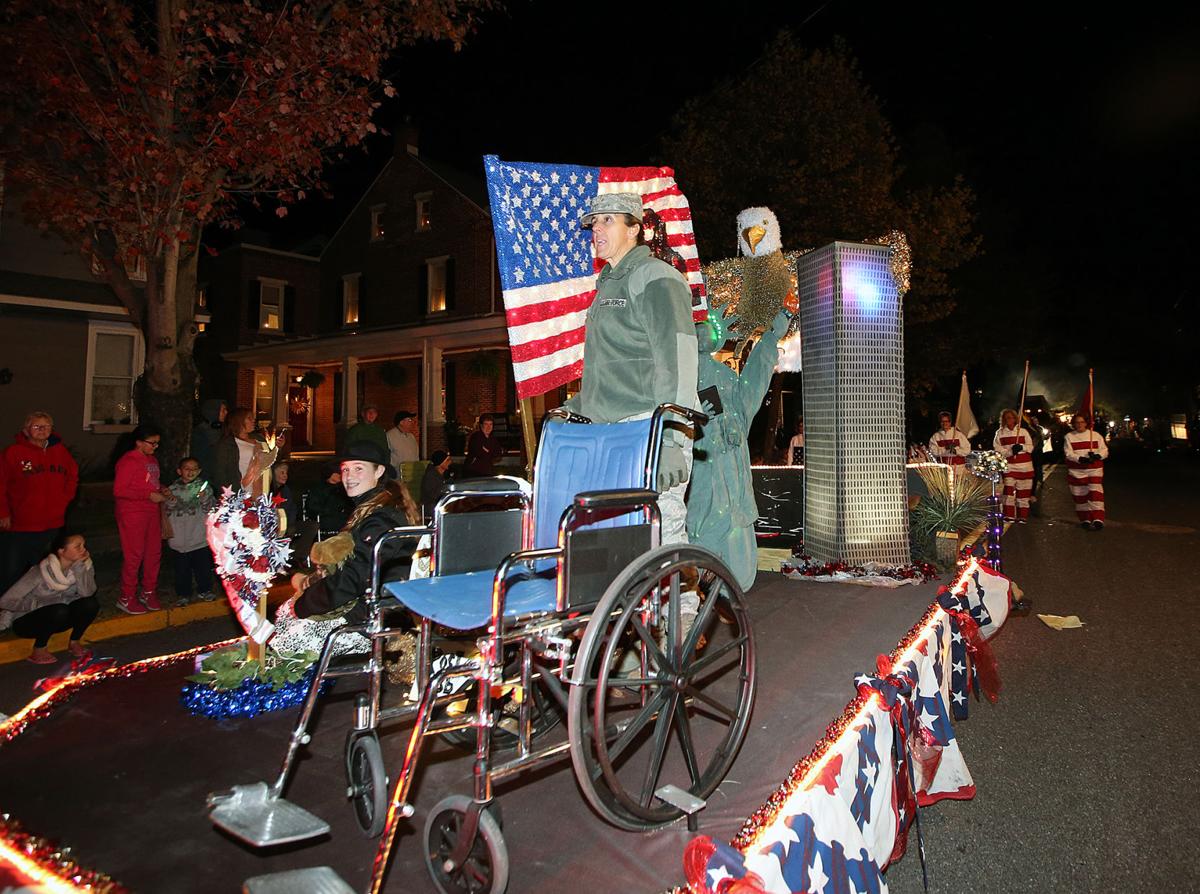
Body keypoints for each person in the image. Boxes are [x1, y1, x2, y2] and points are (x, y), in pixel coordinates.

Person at [563, 193, 698, 550]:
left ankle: (681, 607)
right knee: (623, 538)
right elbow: (614, 366)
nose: (597, 229)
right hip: (612, 433)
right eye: (594, 222)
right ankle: (637, 606)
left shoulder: (656, 276)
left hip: (651, 427)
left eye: (608, 220)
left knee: (661, 534)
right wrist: (574, 408)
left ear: (635, 228)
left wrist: (670, 435)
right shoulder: (608, 284)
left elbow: (679, 359)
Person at [271, 442, 420, 655]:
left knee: (287, 639)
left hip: (373, 618)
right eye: (345, 469)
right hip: (370, 609)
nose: (349, 476)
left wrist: (305, 603)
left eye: (359, 468)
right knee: (286, 614)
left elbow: (354, 578)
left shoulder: (381, 518)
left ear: (378, 471)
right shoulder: (372, 509)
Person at [688, 303, 795, 591]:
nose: (704, 334)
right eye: (698, 328)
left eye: (709, 327)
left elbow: (753, 385)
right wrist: (696, 419)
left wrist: (772, 336)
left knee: (736, 562)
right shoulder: (679, 375)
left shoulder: (727, 377)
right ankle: (695, 597)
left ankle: (726, 596)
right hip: (705, 481)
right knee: (703, 539)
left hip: (734, 482)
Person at [0, 411, 80, 592]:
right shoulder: (13, 453)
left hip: (52, 524)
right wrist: (3, 512)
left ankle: (38, 606)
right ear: (26, 430)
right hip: (21, 525)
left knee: (45, 570)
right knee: (12, 571)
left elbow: (72, 475)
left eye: (47, 426)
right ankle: (6, 609)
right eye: (37, 426)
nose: (42, 430)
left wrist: (65, 498)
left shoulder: (60, 451)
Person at [0, 532, 98, 664]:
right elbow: (6, 600)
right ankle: (39, 649)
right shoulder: (39, 572)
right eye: (78, 546)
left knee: (91, 604)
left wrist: (80, 570)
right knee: (59, 610)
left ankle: (74, 641)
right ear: (61, 551)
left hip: (58, 619)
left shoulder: (84, 566)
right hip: (27, 621)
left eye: (84, 545)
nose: (84, 549)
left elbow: (87, 594)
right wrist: (35, 604)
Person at [114, 424, 171, 614]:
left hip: (151, 512)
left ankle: (148, 591)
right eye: (152, 443)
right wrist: (147, 496)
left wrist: (161, 488)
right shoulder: (128, 461)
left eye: (157, 443)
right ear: (139, 443)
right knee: (134, 555)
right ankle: (126, 596)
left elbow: (148, 483)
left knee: (153, 553)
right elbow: (120, 490)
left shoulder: (151, 460)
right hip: (132, 513)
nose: (155, 446)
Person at [164, 457, 217, 605]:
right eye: (187, 468)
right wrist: (170, 499)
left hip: (199, 537)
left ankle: (205, 590)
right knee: (181, 570)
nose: (191, 471)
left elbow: (211, 509)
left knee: (203, 567)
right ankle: (183, 593)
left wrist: (205, 499)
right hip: (178, 539)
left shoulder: (205, 488)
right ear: (179, 471)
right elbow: (166, 511)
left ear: (199, 471)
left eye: (194, 469)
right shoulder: (172, 489)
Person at [212, 407, 275, 497]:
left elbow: (270, 461)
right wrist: (229, 494)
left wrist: (278, 448)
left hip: (263, 489)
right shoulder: (227, 444)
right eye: (249, 418)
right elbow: (220, 472)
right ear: (238, 421)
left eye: (253, 418)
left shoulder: (259, 439)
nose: (253, 420)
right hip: (242, 491)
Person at [1063, 413, 1109, 530]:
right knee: (1079, 495)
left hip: (1094, 469)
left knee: (1095, 493)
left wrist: (1098, 456)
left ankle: (1098, 519)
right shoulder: (1069, 436)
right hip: (1077, 471)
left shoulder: (1095, 435)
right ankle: (1085, 519)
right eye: (1077, 422)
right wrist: (1079, 459)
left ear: (1086, 423)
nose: (1079, 424)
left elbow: (1104, 450)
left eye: (1082, 422)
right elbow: (1068, 453)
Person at [993, 408, 1034, 523]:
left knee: (1023, 492)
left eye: (1011, 417)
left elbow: (1030, 447)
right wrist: (1010, 452)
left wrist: (1021, 447)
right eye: (1006, 418)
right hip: (1009, 466)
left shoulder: (1023, 431)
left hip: (1025, 467)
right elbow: (998, 449)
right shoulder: (1000, 433)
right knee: (1008, 492)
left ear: (1015, 419)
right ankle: (1009, 515)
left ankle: (1023, 516)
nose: (1009, 420)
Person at [305, 463, 353, 537]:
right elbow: (312, 507)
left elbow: (350, 505)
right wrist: (328, 511)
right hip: (326, 518)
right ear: (330, 474)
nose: (340, 475)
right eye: (337, 473)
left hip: (343, 517)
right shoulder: (318, 489)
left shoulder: (343, 488)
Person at [190, 399, 228, 478]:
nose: (226, 413)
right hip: (207, 476)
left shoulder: (222, 430)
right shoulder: (200, 431)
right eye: (223, 410)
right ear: (214, 412)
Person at [421, 449, 452, 521]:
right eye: (447, 461)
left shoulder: (443, 475)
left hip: (440, 504)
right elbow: (433, 495)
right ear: (440, 463)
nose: (450, 462)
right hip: (431, 507)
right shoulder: (431, 476)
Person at [271, 462, 297, 533]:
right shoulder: (266, 489)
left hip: (286, 523)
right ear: (273, 474)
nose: (285, 476)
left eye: (286, 473)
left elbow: (291, 509)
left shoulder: (286, 490)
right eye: (282, 473)